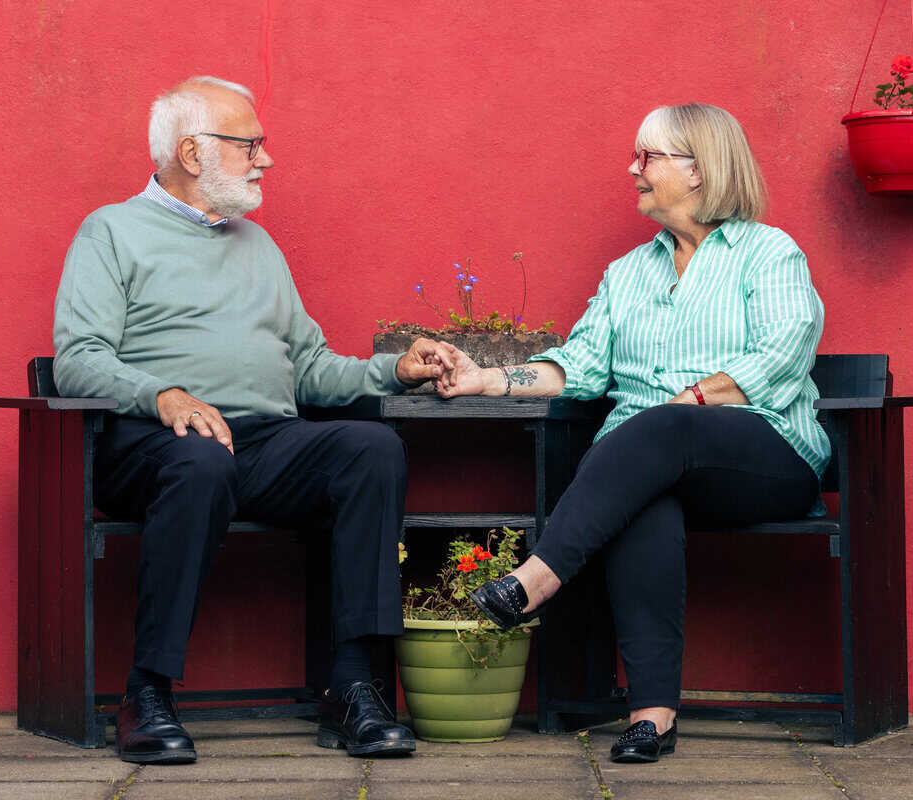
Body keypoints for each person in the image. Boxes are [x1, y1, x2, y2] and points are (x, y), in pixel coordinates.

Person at [53, 75, 452, 764]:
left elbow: (311, 370)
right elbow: (77, 360)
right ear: (190, 151)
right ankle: (145, 693)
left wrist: (393, 369)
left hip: (263, 444)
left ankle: (353, 688)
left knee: (372, 448)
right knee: (201, 460)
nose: (264, 160)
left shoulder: (259, 248)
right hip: (156, 445)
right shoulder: (111, 231)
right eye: (249, 146)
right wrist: (164, 396)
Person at [435, 103, 829, 764]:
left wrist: (696, 398)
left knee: (665, 425)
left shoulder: (769, 251)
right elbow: (580, 366)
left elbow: (786, 350)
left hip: (762, 458)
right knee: (644, 495)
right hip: (652, 462)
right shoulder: (627, 274)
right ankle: (652, 714)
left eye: (648, 156)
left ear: (699, 170)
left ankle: (535, 578)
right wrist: (487, 380)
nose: (633, 169)